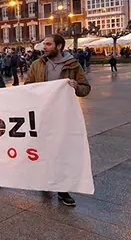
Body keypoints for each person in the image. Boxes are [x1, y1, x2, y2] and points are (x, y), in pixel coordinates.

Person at [25, 34, 91, 207]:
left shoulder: (73, 65)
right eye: (44, 44)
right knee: (43, 149)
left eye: (48, 44)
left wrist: (76, 86)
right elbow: (27, 86)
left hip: (63, 116)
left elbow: (86, 88)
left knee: (61, 151)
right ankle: (45, 181)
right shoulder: (37, 64)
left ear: (59, 46)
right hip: (43, 115)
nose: (44, 47)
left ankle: (63, 189)